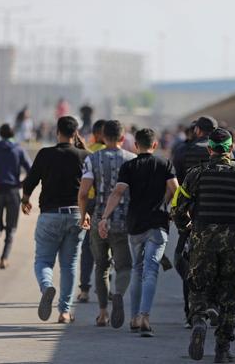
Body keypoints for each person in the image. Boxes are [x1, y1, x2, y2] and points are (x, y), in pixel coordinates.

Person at [171, 128, 235, 362]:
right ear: (230, 148)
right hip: (233, 241)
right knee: (229, 294)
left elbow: (177, 208)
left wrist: (186, 228)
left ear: (209, 149)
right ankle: (223, 349)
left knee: (198, 287)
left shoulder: (196, 173)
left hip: (202, 238)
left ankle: (198, 320)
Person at [99, 128, 178, 337]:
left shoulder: (129, 166)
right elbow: (175, 189)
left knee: (137, 269)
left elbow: (118, 192)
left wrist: (105, 217)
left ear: (136, 146)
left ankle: (134, 318)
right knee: (151, 270)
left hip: (135, 224)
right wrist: (169, 206)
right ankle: (145, 317)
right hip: (158, 223)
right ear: (155, 145)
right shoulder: (165, 164)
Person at [21, 116, 90, 323]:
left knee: (43, 260)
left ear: (57, 132)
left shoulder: (45, 154)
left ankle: (46, 286)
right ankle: (65, 312)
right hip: (76, 215)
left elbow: (30, 180)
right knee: (69, 265)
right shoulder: (85, 156)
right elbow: (93, 185)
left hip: (49, 215)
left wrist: (25, 200)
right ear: (76, 133)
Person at [78, 120, 135, 328]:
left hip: (98, 220)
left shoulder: (93, 159)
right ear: (122, 138)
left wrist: (84, 214)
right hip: (122, 221)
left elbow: (83, 193)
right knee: (124, 266)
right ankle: (118, 294)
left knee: (101, 266)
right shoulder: (132, 160)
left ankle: (102, 313)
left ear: (102, 136)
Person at [171, 116, 218, 328]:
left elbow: (179, 188)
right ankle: (212, 304)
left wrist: (179, 216)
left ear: (197, 130)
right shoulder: (225, 153)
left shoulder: (183, 151)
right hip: (219, 217)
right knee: (216, 262)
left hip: (192, 217)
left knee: (185, 261)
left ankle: (191, 312)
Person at [0, 124, 32, 269]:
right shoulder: (19, 149)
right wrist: (23, 183)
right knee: (11, 228)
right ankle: (4, 258)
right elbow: (31, 168)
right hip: (13, 191)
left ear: (1, 134)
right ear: (13, 134)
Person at [76, 120, 106, 303]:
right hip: (107, 203)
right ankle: (107, 287)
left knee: (87, 247)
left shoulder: (88, 153)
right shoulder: (115, 154)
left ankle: (85, 289)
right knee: (107, 246)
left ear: (95, 134)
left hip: (89, 202)